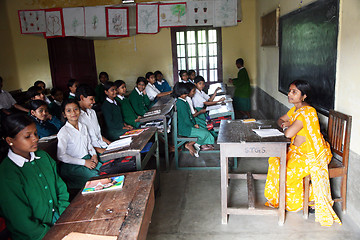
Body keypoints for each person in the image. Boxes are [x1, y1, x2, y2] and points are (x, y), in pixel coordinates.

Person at [264, 80, 341, 227]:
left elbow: (288, 134)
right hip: (296, 150)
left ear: (304, 96)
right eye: (290, 91)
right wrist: (284, 124)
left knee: (288, 170)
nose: (290, 94)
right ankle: (278, 198)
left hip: (311, 154)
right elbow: (280, 120)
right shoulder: (295, 110)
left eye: (294, 92)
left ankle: (306, 199)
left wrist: (288, 127)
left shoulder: (307, 112)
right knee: (275, 161)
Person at [0, 113, 69, 240]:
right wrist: (55, 233)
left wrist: (64, 216)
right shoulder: (7, 173)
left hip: (61, 218)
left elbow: (61, 190)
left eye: (36, 134)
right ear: (10, 141)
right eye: (28, 136)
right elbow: (22, 223)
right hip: (35, 235)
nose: (35, 139)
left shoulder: (43, 156)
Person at [57, 98, 100, 189]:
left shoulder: (83, 126)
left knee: (106, 170)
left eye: (76, 109)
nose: (73, 113)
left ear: (80, 111)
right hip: (72, 165)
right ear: (64, 114)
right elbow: (61, 156)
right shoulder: (64, 132)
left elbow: (89, 144)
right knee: (97, 178)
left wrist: (94, 155)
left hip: (87, 158)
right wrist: (84, 162)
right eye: (69, 111)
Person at [173, 82, 215, 157]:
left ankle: (195, 144)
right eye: (185, 93)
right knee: (205, 133)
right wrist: (193, 125)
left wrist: (194, 124)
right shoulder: (180, 103)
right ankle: (189, 144)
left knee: (205, 131)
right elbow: (186, 119)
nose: (186, 94)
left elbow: (190, 116)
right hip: (185, 128)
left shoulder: (184, 101)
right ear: (180, 93)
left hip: (188, 126)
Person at [76, 84, 111, 154]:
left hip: (102, 145)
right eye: (91, 99)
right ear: (82, 98)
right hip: (92, 152)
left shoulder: (92, 112)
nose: (94, 102)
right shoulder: (77, 117)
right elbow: (83, 143)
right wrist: (100, 150)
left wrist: (109, 143)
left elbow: (97, 134)